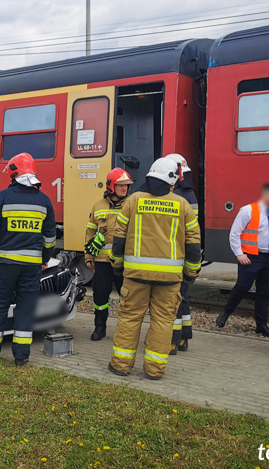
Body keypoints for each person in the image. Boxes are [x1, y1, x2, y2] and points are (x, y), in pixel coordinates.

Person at [107, 157, 201, 380]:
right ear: (172, 181)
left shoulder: (133, 201)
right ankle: (154, 370)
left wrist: (117, 265)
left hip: (135, 276)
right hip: (169, 280)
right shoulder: (183, 205)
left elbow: (118, 238)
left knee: (130, 319)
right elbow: (194, 246)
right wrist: (190, 272)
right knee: (162, 322)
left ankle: (121, 366)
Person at [0, 153, 57, 366]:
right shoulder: (44, 200)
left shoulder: (3, 198)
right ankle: (21, 357)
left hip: (6, 265)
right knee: (25, 308)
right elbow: (50, 238)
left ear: (13, 173)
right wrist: (44, 258)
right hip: (32, 267)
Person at [216, 183, 269, 336]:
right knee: (242, 287)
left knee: (264, 292)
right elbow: (235, 233)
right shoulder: (248, 210)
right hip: (251, 257)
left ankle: (261, 325)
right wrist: (239, 254)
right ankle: (226, 313)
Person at [84, 167, 135, 341]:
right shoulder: (98, 206)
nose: (125, 189)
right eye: (121, 185)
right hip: (102, 261)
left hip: (124, 262)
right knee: (100, 295)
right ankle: (100, 327)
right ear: (111, 186)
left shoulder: (132, 205)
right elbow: (90, 232)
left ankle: (126, 332)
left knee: (127, 297)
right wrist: (89, 257)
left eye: (127, 185)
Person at [164, 153, 196, 353]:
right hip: (185, 255)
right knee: (183, 297)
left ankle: (172, 341)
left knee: (171, 300)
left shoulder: (175, 197)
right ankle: (184, 338)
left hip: (173, 255)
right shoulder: (190, 195)